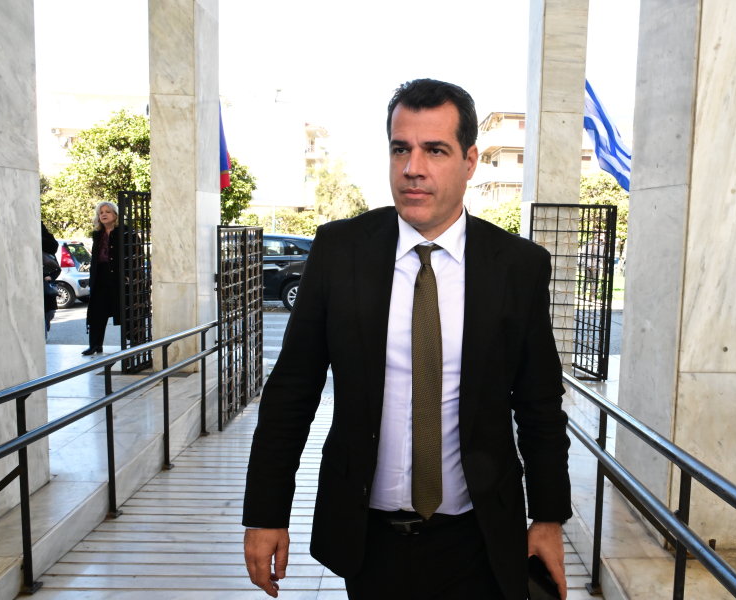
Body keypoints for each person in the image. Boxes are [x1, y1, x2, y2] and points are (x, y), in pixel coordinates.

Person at [242, 79, 571, 600]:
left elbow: (539, 405)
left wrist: (548, 517)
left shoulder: (517, 267)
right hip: (368, 541)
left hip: (480, 538)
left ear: (470, 161)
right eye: (401, 149)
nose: (413, 168)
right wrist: (266, 513)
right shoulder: (340, 251)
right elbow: (291, 392)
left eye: (434, 150)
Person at [82, 202, 123, 356]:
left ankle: (134, 343)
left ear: (115, 215)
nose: (104, 214)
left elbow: (134, 254)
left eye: (107, 211)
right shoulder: (97, 233)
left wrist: (128, 273)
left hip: (118, 277)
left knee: (124, 310)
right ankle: (95, 345)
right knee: (97, 312)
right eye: (101, 212)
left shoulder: (124, 232)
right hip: (100, 276)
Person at [42, 222, 60, 338]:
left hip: (46, 285)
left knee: (50, 311)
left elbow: (56, 267)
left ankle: (45, 332)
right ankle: (43, 336)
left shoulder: (47, 245)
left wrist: (51, 277)